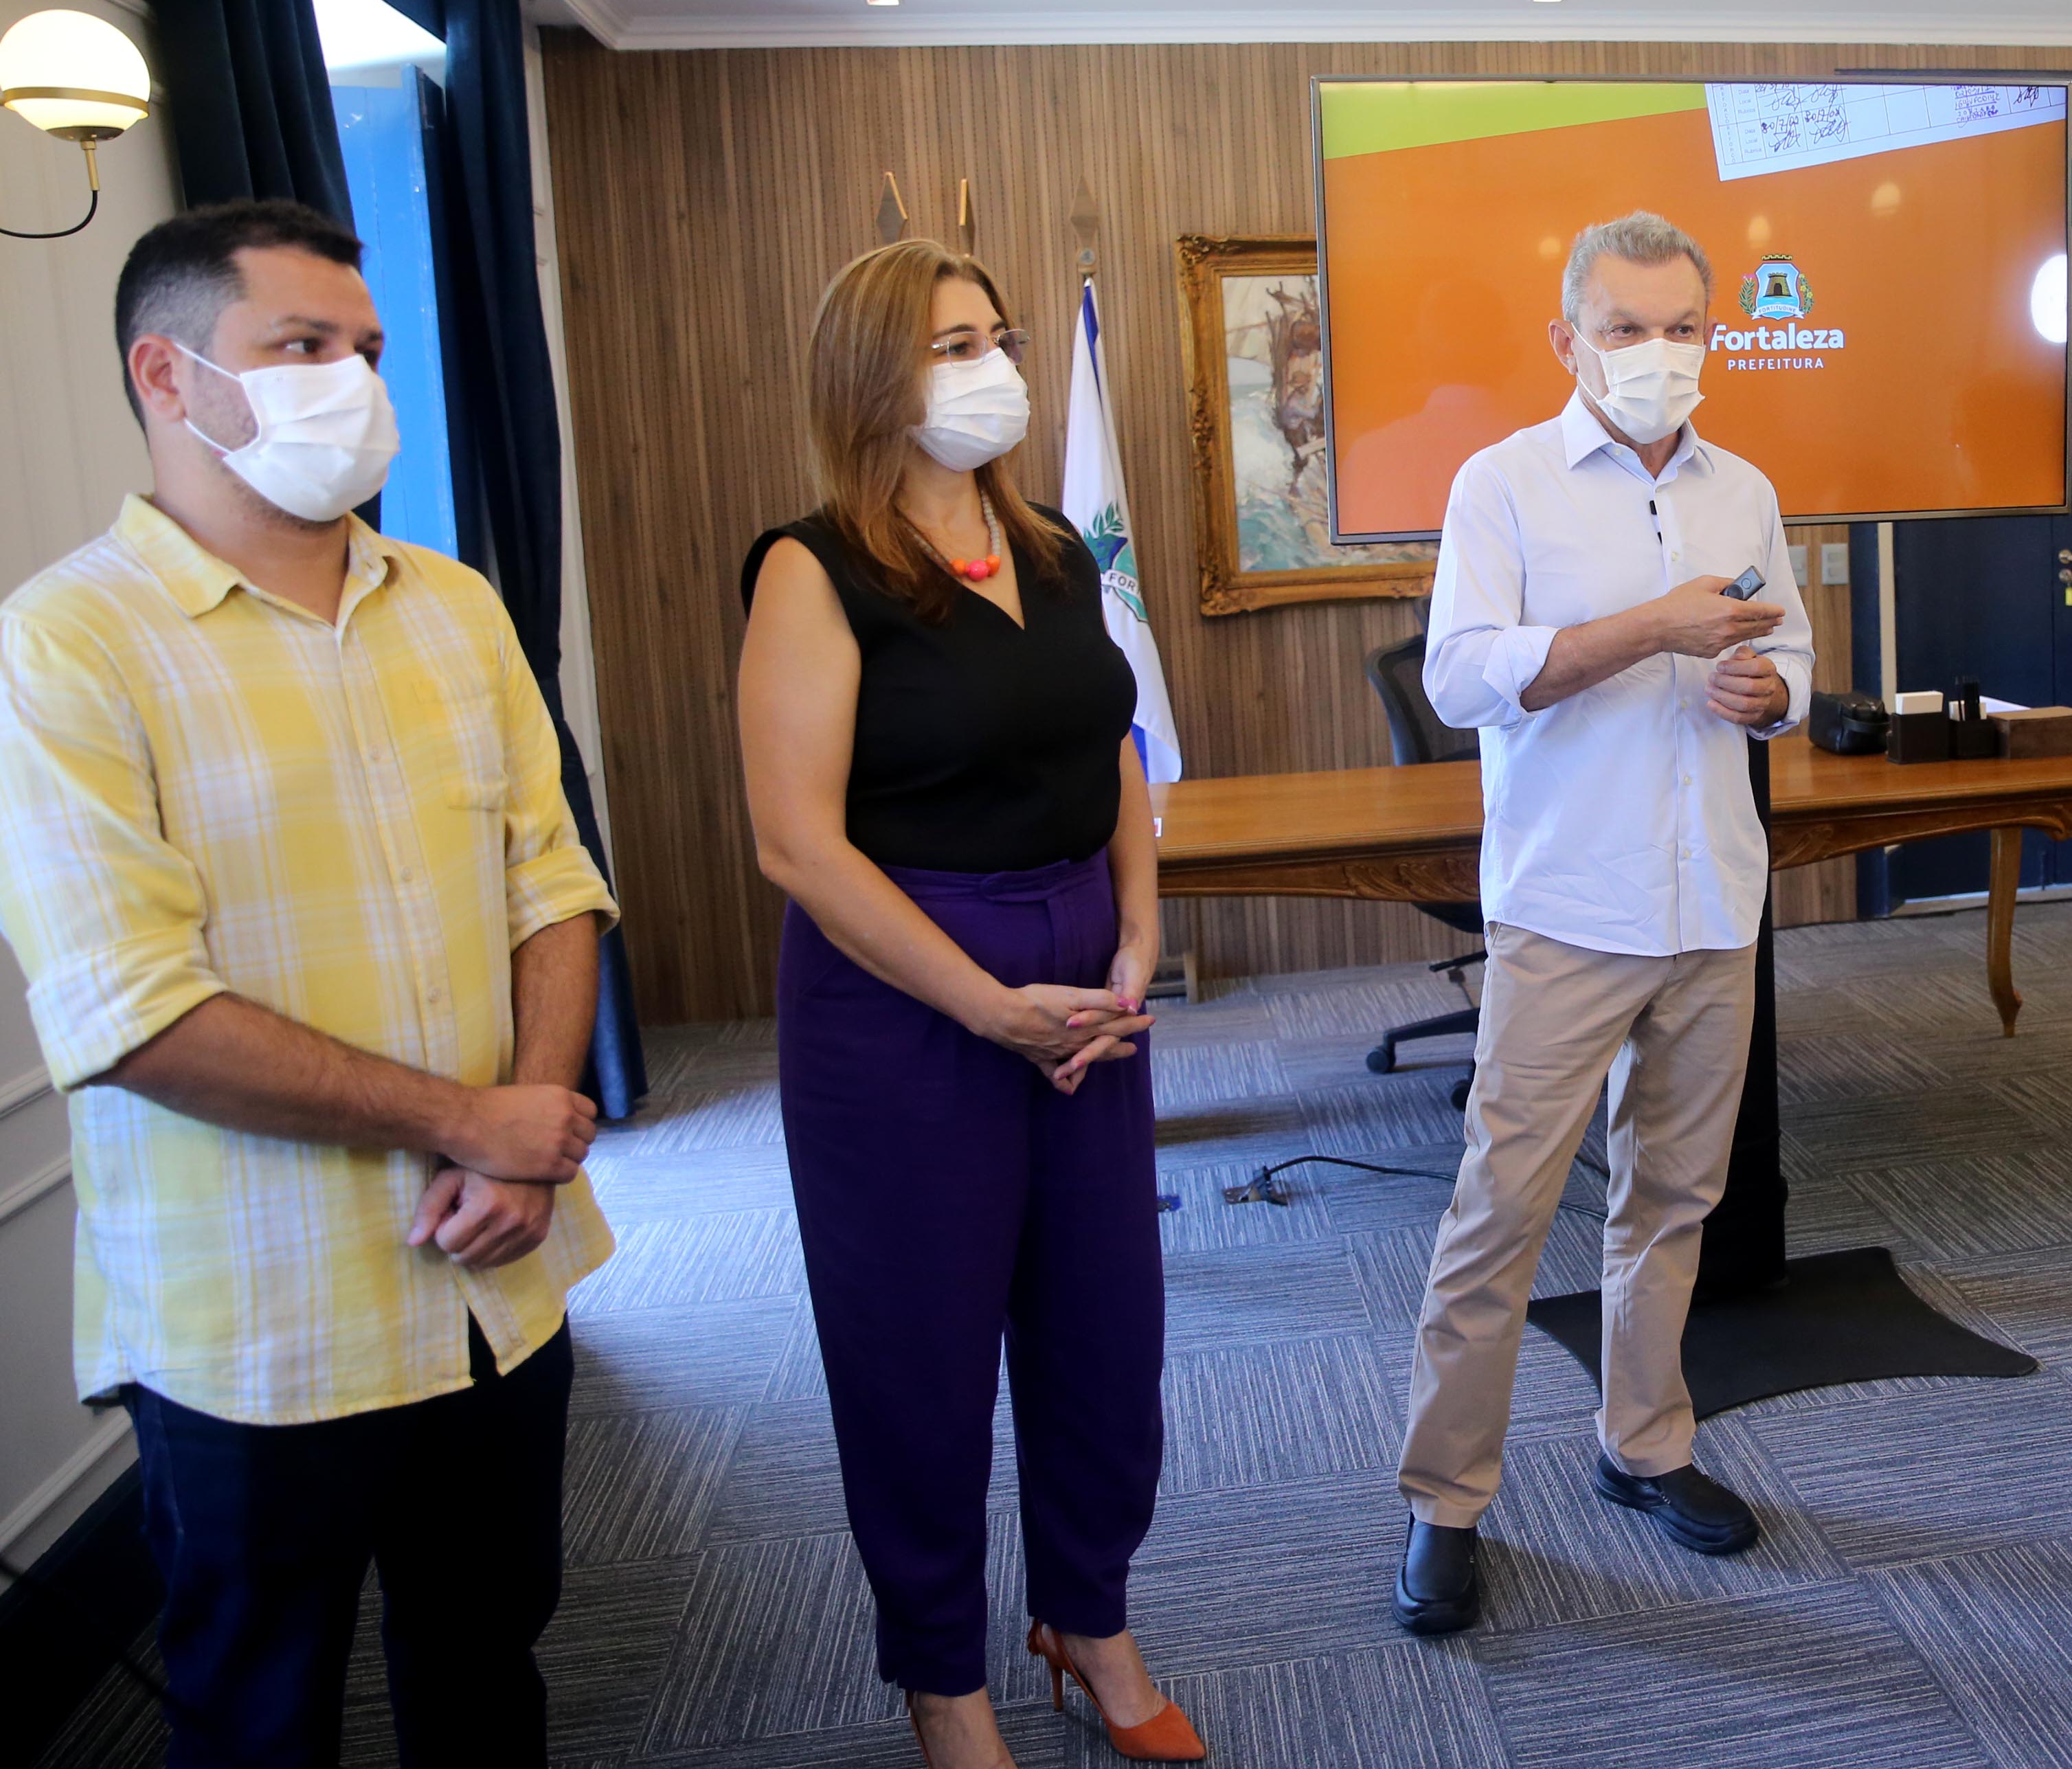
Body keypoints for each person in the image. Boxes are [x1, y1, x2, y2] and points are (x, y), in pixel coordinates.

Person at [0, 200, 615, 1764]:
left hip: (495, 1287)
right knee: (258, 1712)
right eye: (303, 346)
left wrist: (531, 1113)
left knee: (488, 1670)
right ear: (170, 373)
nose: (353, 378)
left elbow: (551, 878)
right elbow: (131, 1009)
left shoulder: (458, 607)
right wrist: (475, 1117)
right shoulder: (65, 645)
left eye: (366, 349)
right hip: (257, 1326)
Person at [736, 240, 1198, 1764]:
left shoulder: (1056, 544)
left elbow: (1115, 749)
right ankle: (947, 1683)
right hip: (908, 986)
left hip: (1088, 966)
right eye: (952, 344)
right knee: (919, 1354)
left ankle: (1090, 1615)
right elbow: (798, 841)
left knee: (1102, 1329)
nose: (992, 366)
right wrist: (992, 1007)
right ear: (874, 377)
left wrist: (1137, 937)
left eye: (996, 336)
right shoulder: (813, 568)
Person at [1390, 211, 1814, 1634]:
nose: (1659, 353)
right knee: (1500, 1215)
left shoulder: (1744, 487)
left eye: (1685, 325)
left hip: (1713, 902)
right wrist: (1654, 628)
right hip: (1570, 908)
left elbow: (1788, 650)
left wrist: (1775, 691)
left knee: (1676, 1200)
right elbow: (1460, 677)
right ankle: (1446, 1500)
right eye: (1626, 328)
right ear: (1567, 341)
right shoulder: (1501, 484)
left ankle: (1647, 1445)